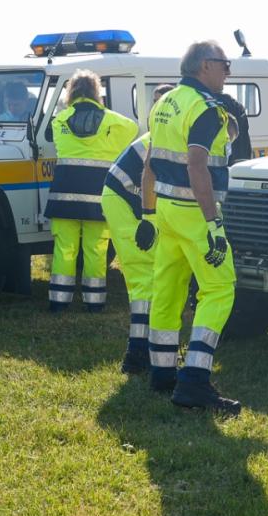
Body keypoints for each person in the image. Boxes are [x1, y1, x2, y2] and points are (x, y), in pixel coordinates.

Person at [137, 41, 242, 413]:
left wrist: (148, 213)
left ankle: (162, 373)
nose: (228, 71)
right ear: (204, 66)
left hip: (166, 210)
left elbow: (149, 162)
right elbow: (197, 166)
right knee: (219, 289)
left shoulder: (165, 102)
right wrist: (213, 222)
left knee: (167, 290)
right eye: (223, 64)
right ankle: (195, 381)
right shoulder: (207, 108)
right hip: (194, 213)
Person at [43, 70, 139, 312]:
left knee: (65, 249)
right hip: (98, 198)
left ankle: (59, 302)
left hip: (64, 197)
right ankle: (94, 302)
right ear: (97, 93)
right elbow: (132, 128)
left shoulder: (60, 121)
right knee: (96, 250)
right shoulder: (112, 122)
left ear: (71, 92)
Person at [103, 83, 174, 372]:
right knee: (146, 278)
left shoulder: (162, 132)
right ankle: (139, 354)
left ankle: (142, 351)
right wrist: (149, 219)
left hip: (125, 201)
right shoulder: (163, 136)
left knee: (149, 278)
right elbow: (151, 178)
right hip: (123, 204)